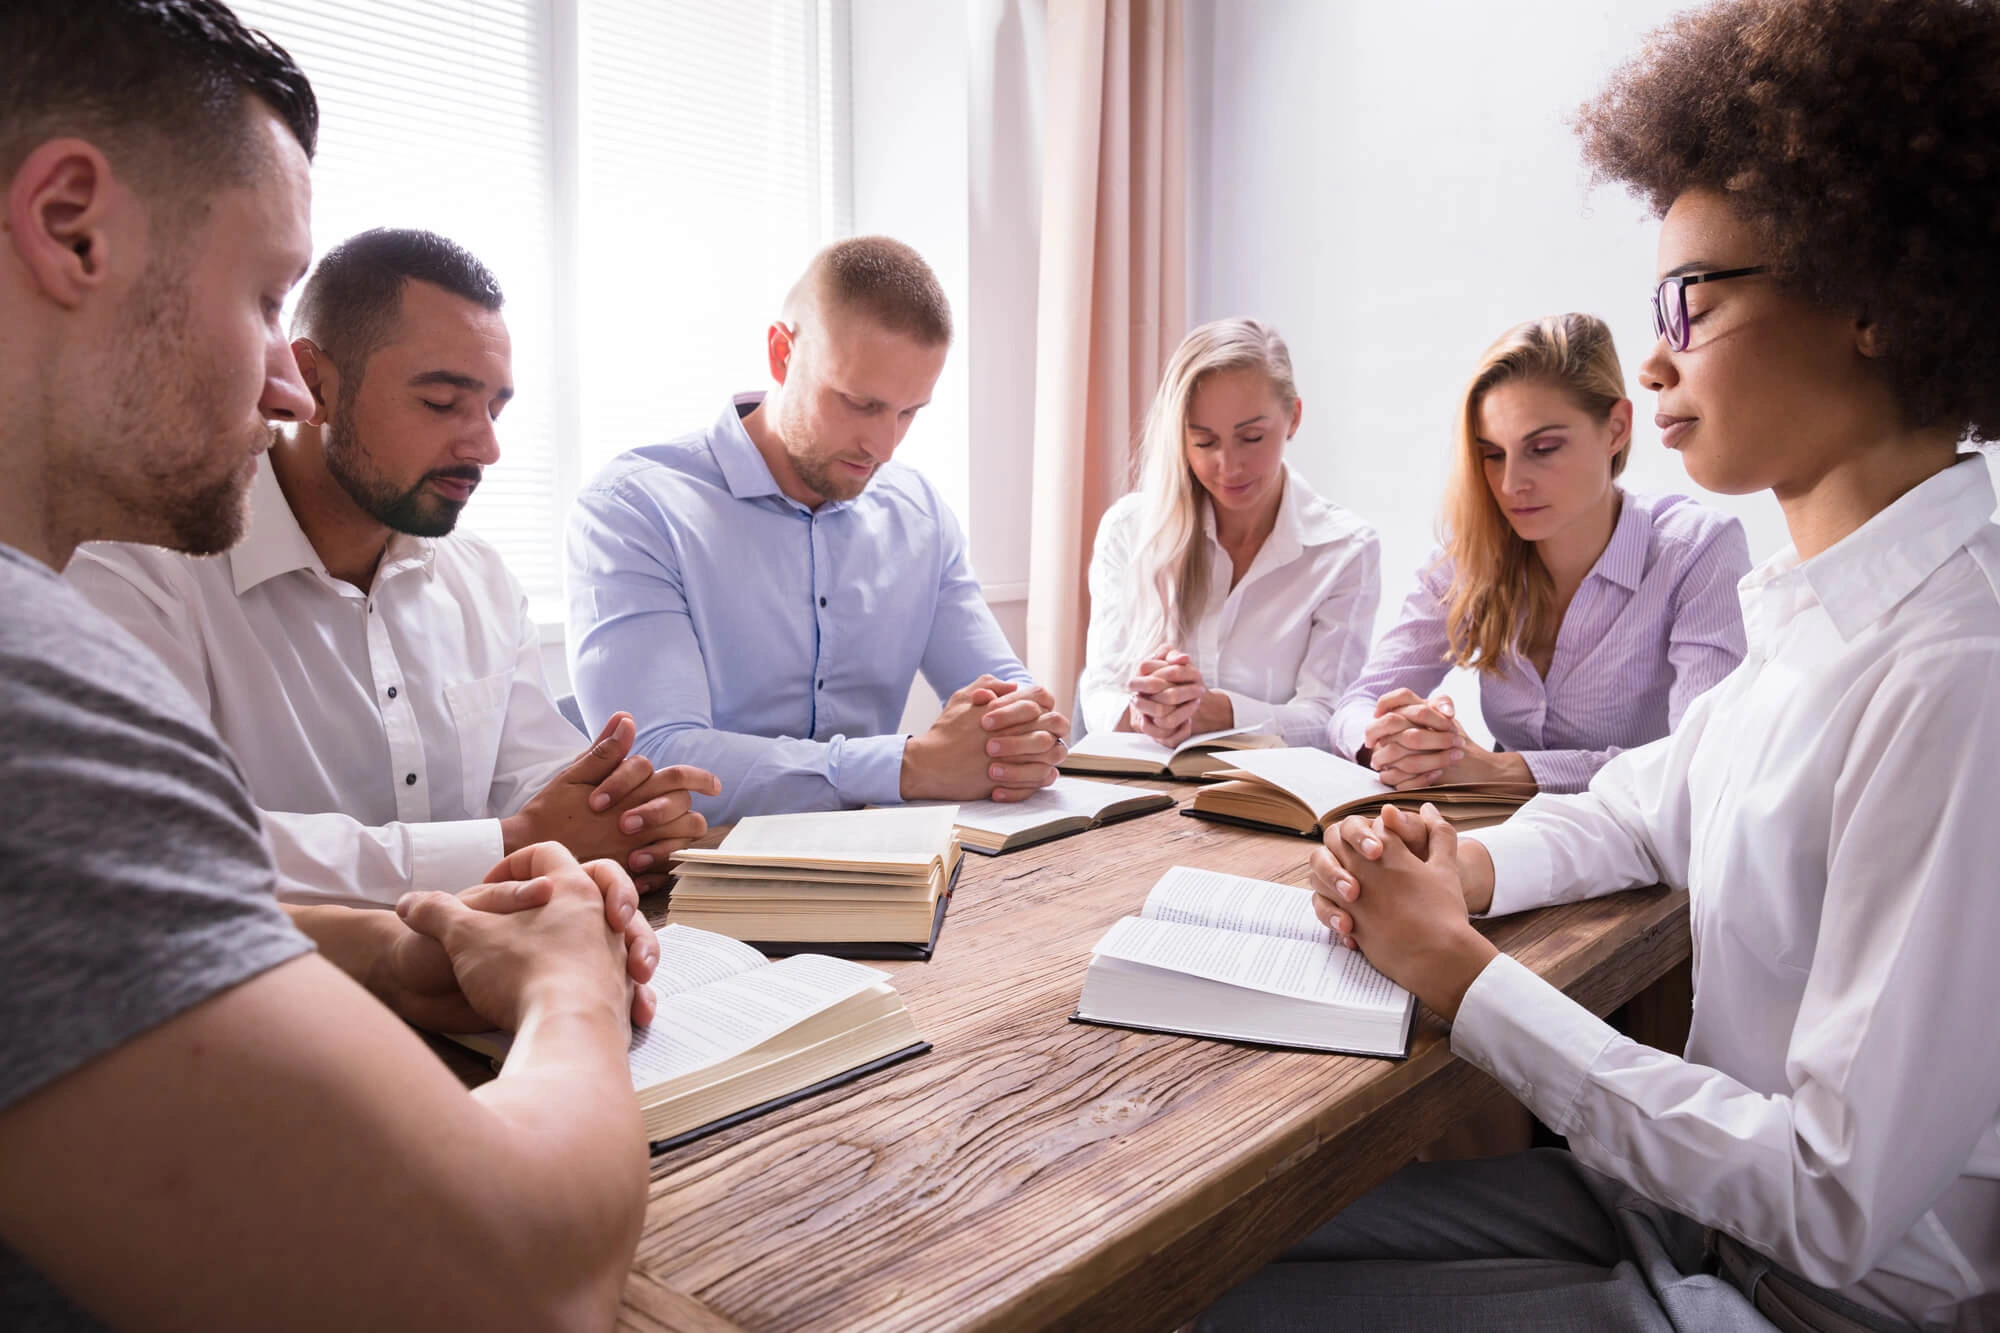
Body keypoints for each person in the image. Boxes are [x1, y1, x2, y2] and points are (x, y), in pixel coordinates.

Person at [1208, 0, 2000, 1328]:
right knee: (1225, 1278)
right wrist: (1462, 864)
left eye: (1692, 294)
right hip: (1695, 1214)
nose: (1654, 350)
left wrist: (1463, 972)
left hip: (1819, 1296)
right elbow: (1645, 799)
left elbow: (1831, 1197)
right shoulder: (1817, 616)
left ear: (1870, 299)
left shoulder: (1955, 670)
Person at [0, 4, 659, 1327]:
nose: (284, 387)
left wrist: (379, 953)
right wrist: (571, 982)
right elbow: (516, 1287)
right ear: (73, 226)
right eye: (258, 298)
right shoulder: (37, 677)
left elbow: (110, 909)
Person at [69, 228, 717, 906]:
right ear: (312, 381)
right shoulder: (141, 565)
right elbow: (160, 838)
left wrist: (623, 815)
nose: (486, 446)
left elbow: (536, 786)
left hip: (491, 981)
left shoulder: (484, 581)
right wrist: (506, 841)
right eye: (442, 403)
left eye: (495, 407)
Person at [567, 236, 1069, 825]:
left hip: (884, 869)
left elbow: (1011, 700)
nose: (883, 446)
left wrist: (1027, 739)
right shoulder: (635, 508)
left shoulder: (921, 514)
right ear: (782, 353)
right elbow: (655, 762)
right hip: (688, 881)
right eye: (860, 403)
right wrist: (907, 767)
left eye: (909, 413)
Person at [1328, 313, 1749, 795]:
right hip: (1495, 834)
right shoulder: (1471, 557)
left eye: (1543, 448)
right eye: (1492, 454)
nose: (1510, 485)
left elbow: (1697, 763)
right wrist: (1392, 740)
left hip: (1643, 858)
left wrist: (1500, 771)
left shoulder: (1696, 551)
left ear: (1616, 428)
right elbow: (1357, 704)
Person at [1078, 318, 1379, 748]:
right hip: (1142, 789)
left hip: (1267, 797)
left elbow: (1330, 719)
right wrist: (1144, 713)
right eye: (1204, 442)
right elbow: (1098, 693)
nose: (1228, 464)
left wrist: (1223, 713)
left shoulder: (1344, 549)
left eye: (1251, 438)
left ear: (1293, 418)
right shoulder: (1129, 529)